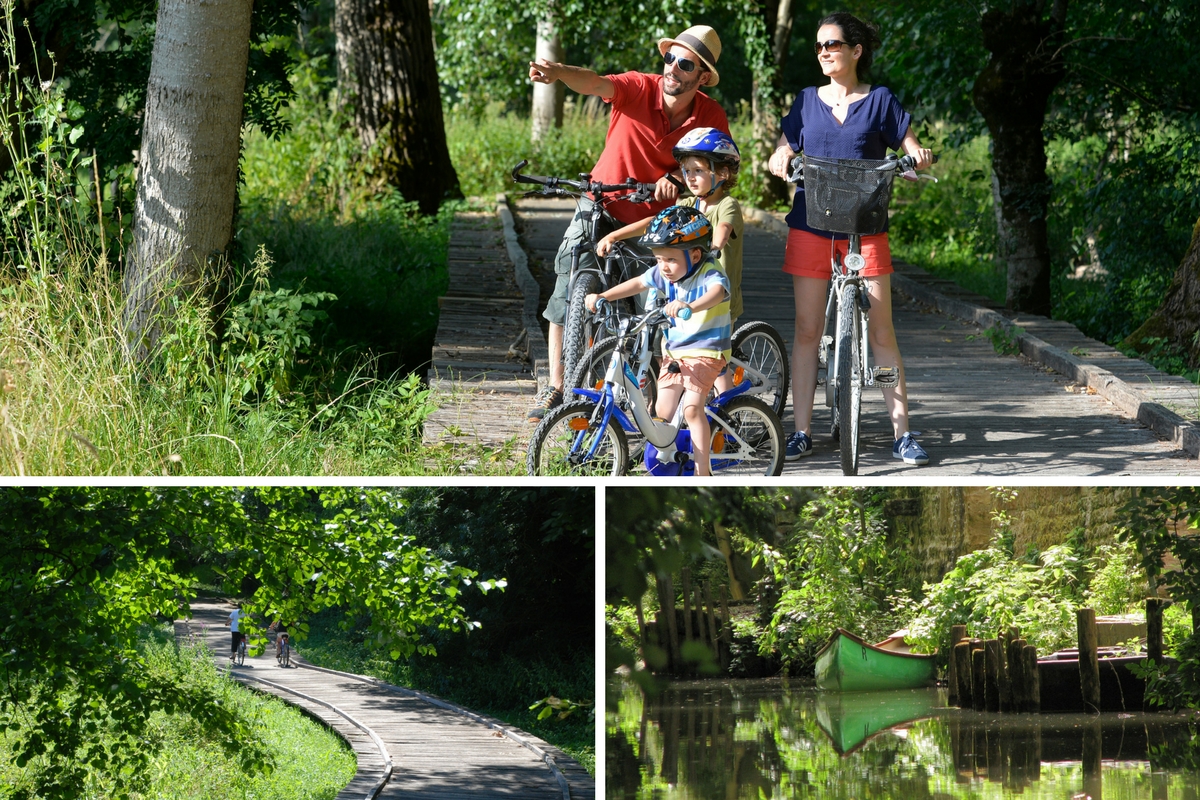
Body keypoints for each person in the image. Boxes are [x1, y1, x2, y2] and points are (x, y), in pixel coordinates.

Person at [525, 25, 730, 422]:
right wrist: (558, 72)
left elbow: (714, 164)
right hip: (599, 200)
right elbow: (596, 83)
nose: (672, 68)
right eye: (670, 58)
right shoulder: (639, 87)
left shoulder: (710, 114)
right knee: (567, 289)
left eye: (685, 63)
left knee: (651, 306)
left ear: (702, 76)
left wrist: (676, 179)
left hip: (650, 223)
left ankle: (652, 400)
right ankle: (557, 387)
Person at [767, 11, 934, 465]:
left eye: (832, 44)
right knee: (806, 330)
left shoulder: (880, 101)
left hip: (866, 231)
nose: (823, 53)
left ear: (855, 51)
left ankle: (902, 434)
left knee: (882, 330)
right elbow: (785, 146)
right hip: (810, 226)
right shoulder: (805, 101)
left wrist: (918, 156)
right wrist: (780, 157)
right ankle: (801, 431)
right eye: (819, 46)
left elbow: (910, 146)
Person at [596, 126, 744, 393]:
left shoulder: (726, 205)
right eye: (687, 171)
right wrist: (616, 235)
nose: (690, 178)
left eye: (698, 171)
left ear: (722, 173)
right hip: (685, 291)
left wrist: (714, 245)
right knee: (682, 353)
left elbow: (723, 228)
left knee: (715, 362)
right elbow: (655, 222)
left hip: (716, 296)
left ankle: (729, 411)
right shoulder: (688, 206)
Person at [585, 206, 731, 475]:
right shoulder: (666, 273)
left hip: (706, 350)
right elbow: (638, 283)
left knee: (691, 409)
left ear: (695, 254)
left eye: (671, 260)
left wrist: (691, 305)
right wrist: (604, 296)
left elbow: (718, 293)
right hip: (676, 352)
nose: (663, 266)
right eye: (659, 259)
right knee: (661, 412)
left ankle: (703, 472)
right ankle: (669, 457)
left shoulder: (709, 271)